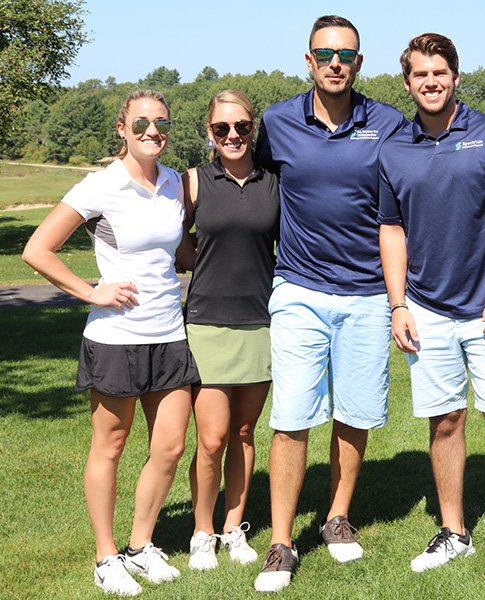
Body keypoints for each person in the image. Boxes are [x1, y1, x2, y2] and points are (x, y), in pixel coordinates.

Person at [378, 33, 485, 595]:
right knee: (446, 421)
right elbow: (392, 229)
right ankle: (454, 532)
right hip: (425, 312)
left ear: (455, 77)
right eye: (419, 74)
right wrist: (398, 304)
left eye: (439, 72)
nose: (430, 82)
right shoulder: (394, 148)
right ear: (406, 83)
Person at [251, 15, 409, 592]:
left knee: (356, 412)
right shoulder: (276, 121)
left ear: (360, 63)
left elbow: (426, 182)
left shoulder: (388, 123)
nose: (336, 62)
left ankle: (337, 517)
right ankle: (280, 542)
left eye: (346, 54)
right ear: (309, 61)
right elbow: (244, 179)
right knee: (292, 415)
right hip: (298, 289)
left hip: (369, 293)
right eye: (325, 53)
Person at [22, 89, 200, 597]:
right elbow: (38, 249)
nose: (152, 131)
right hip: (116, 336)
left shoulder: (173, 184)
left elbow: (180, 252)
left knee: (170, 446)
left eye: (161, 122)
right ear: (122, 127)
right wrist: (89, 290)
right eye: (141, 122)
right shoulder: (100, 186)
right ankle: (106, 556)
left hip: (170, 331)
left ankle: (141, 544)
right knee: (112, 446)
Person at [179, 89, 279, 570]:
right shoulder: (193, 182)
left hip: (260, 321)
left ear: (253, 129)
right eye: (222, 129)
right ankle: (202, 531)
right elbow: (174, 245)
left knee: (243, 431)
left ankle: (233, 528)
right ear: (210, 134)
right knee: (212, 438)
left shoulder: (273, 181)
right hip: (205, 322)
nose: (233, 136)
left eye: (241, 127)